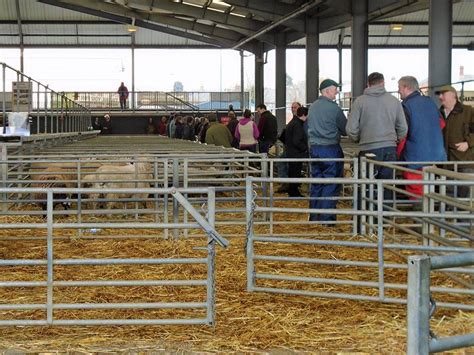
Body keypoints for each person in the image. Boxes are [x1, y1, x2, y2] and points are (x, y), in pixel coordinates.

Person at [346, 72, 407, 202]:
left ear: (368, 84)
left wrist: (358, 138)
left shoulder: (359, 102)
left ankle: (364, 219)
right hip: (390, 148)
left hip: (368, 149)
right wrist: (395, 139)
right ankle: (385, 219)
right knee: (387, 186)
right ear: (383, 83)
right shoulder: (394, 101)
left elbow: (351, 129)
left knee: (365, 186)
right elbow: (403, 128)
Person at [397, 76, 446, 198]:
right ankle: (429, 214)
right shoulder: (430, 101)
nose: (398, 91)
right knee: (431, 188)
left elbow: (403, 132)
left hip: (416, 156)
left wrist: (399, 154)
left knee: (416, 189)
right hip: (436, 154)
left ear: (406, 87)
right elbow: (442, 123)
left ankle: (419, 215)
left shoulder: (406, 106)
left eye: (399, 88)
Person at [307, 79, 347, 222]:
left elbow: (307, 127)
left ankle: (314, 216)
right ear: (327, 90)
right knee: (331, 181)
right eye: (335, 89)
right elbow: (345, 129)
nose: (337, 91)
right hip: (330, 148)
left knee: (317, 181)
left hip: (315, 148)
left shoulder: (313, 107)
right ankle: (326, 218)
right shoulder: (334, 109)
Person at [436, 84, 474, 197]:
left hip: (464, 161)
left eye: (443, 94)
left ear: (453, 95)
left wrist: (468, 143)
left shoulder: (468, 112)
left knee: (465, 196)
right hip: (445, 162)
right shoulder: (438, 114)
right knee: (448, 196)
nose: (440, 97)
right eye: (439, 94)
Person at [277, 102, 301, 193]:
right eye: (292, 107)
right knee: (282, 162)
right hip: (289, 146)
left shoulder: (300, 120)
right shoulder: (294, 120)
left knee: (289, 165)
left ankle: (289, 185)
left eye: (295, 107)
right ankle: (286, 183)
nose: (293, 109)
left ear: (300, 107)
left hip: (294, 148)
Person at [285, 106, 308, 197]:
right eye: (307, 116)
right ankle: (294, 192)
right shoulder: (298, 125)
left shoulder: (292, 122)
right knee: (295, 172)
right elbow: (296, 141)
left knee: (292, 172)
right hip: (296, 154)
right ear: (303, 115)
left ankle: (292, 190)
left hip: (291, 152)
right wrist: (305, 148)